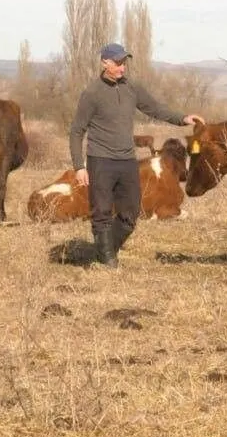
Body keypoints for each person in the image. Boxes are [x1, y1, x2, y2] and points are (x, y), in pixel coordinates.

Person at [69, 43, 204, 268]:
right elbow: (76, 130)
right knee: (101, 212)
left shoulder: (131, 87)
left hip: (126, 161)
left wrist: (182, 118)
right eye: (118, 63)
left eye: (124, 63)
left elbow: (155, 108)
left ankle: (103, 251)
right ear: (105, 63)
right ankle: (107, 262)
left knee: (131, 213)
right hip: (100, 160)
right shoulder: (92, 93)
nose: (122, 67)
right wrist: (78, 166)